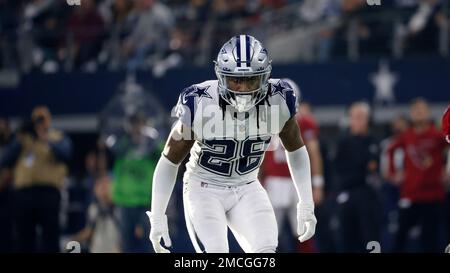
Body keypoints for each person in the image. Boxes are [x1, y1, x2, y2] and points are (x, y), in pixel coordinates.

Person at [146, 35, 317, 253]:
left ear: (265, 77)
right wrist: (158, 214)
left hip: (247, 185)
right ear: (221, 76)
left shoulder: (280, 99)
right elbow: (169, 160)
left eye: (251, 79)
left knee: (266, 250)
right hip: (204, 188)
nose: (243, 88)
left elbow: (296, 149)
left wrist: (306, 201)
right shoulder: (200, 102)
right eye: (236, 80)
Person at [260, 82, 325, 253]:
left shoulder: (301, 121)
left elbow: (314, 153)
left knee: (302, 232)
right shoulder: (268, 119)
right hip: (278, 181)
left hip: (294, 181)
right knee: (271, 234)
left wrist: (317, 184)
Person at [0, 106, 72, 252]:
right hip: (24, 194)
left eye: (43, 118)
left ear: (49, 120)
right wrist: (20, 137)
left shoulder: (57, 136)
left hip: (49, 193)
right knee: (24, 237)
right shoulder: (23, 139)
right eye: (36, 119)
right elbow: (5, 160)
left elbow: (66, 154)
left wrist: (45, 139)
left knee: (50, 236)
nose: (40, 122)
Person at [387, 98, 448, 252]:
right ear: (412, 114)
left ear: (428, 113)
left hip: (433, 194)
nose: (419, 114)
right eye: (416, 111)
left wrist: (448, 171)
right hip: (411, 194)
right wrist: (394, 173)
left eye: (422, 110)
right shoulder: (407, 136)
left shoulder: (436, 134)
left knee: (430, 238)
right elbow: (390, 150)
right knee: (400, 236)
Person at [333, 102, 382, 252]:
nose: (357, 121)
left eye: (360, 117)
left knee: (370, 237)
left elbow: (373, 167)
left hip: (367, 194)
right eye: (353, 117)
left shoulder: (373, 141)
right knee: (346, 237)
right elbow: (338, 169)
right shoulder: (343, 142)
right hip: (346, 193)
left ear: (368, 119)